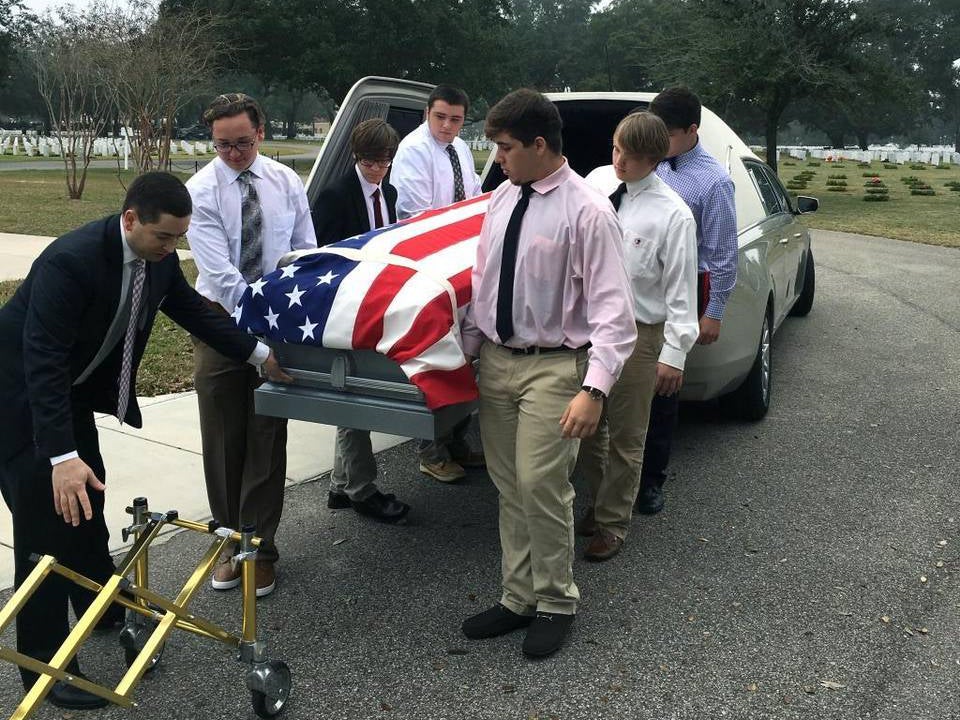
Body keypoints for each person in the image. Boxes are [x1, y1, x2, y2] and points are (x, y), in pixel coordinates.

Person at [0, 172, 289, 709]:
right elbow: (41, 359)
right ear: (130, 219)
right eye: (163, 238)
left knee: (87, 505)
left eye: (178, 239)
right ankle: (49, 667)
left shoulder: (156, 262)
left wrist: (258, 355)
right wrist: (61, 457)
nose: (170, 250)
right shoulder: (71, 261)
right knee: (44, 527)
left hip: (65, 395)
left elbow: (195, 313)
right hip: (18, 400)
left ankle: (103, 606)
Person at [459, 89, 636, 657]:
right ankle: (517, 597)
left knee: (542, 485)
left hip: (556, 368)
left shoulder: (587, 209)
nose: (498, 158)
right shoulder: (502, 200)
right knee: (509, 486)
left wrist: (595, 388)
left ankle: (557, 599)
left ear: (540, 145)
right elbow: (485, 279)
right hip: (497, 361)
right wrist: (467, 349)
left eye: (506, 148)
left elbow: (614, 312)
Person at [186, 93, 316, 597]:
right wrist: (252, 326)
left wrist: (288, 307)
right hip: (220, 323)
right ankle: (228, 543)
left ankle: (260, 549)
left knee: (266, 436)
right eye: (223, 145)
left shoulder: (286, 182)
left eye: (242, 142)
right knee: (222, 437)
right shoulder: (200, 192)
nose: (234, 153)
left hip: (278, 319)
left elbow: (306, 247)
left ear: (260, 132)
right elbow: (219, 273)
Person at [576, 111, 699, 561]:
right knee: (586, 429)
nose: (619, 161)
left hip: (640, 333)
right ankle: (603, 498)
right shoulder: (600, 184)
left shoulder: (673, 215)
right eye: (615, 149)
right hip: (593, 329)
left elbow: (681, 292)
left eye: (630, 155)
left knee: (628, 435)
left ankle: (611, 522)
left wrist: (675, 354)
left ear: (654, 158)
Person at [633, 87, 738, 515]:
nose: (657, 143)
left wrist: (712, 313)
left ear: (692, 130)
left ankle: (652, 479)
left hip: (680, 292)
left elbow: (721, 255)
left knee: (662, 392)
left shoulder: (713, 182)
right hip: (635, 291)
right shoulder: (645, 165)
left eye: (667, 135)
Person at [312, 118, 410, 523]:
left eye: (385, 161)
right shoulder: (335, 196)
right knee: (356, 396)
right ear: (356, 156)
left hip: (377, 303)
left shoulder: (389, 191)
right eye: (371, 162)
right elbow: (320, 255)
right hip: (345, 307)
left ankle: (340, 484)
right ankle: (361, 490)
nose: (378, 169)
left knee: (352, 393)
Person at [390, 84, 483, 483]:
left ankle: (455, 437)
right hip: (428, 263)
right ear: (427, 113)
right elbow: (417, 213)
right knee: (433, 354)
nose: (447, 126)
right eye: (440, 117)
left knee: (466, 352)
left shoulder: (460, 149)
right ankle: (429, 448)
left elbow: (474, 195)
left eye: (456, 119)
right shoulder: (413, 150)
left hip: (460, 262)